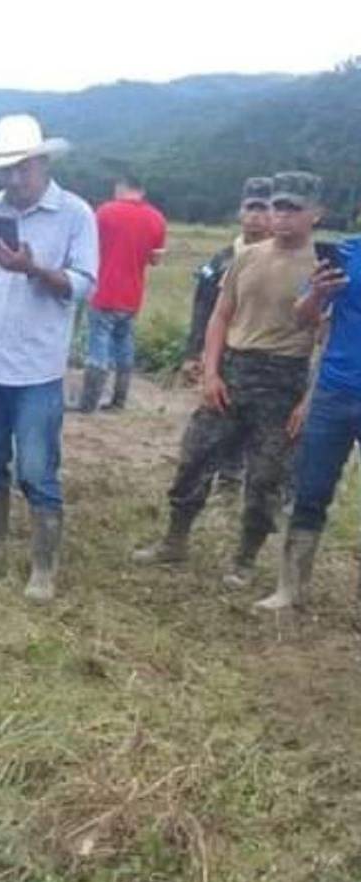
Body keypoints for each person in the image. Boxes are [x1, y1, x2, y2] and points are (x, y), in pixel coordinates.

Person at [133, 172, 324, 588]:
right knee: (194, 458)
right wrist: (212, 370)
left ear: (316, 214)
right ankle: (174, 540)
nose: (282, 216)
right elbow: (221, 315)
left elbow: (328, 342)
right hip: (234, 370)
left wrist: (308, 401)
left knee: (265, 479)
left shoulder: (323, 268)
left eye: (294, 208)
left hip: (285, 376)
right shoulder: (247, 257)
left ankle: (244, 559)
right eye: (278, 206)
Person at [0, 114, 97, 601]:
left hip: (36, 368)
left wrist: (33, 269)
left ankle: (43, 569)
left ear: (42, 163)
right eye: (4, 170)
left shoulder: (75, 214)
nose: (12, 179)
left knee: (35, 470)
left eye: (21, 169)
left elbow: (83, 285)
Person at [254, 236, 353, 611]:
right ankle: (290, 588)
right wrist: (317, 293)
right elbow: (302, 319)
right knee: (310, 491)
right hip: (334, 393)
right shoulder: (344, 255)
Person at [181, 177, 274, 493]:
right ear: (240, 212)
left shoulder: (287, 259)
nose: (256, 217)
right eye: (251, 208)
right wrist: (194, 354)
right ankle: (215, 479)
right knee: (215, 417)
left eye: (264, 209)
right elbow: (203, 308)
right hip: (222, 351)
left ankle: (239, 480)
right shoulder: (221, 259)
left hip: (268, 359)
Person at [75, 173, 166, 412]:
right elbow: (155, 259)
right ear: (142, 190)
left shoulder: (105, 212)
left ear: (120, 188)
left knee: (98, 347)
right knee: (124, 346)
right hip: (132, 296)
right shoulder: (157, 218)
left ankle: (88, 403)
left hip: (103, 292)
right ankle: (119, 400)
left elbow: (85, 247)